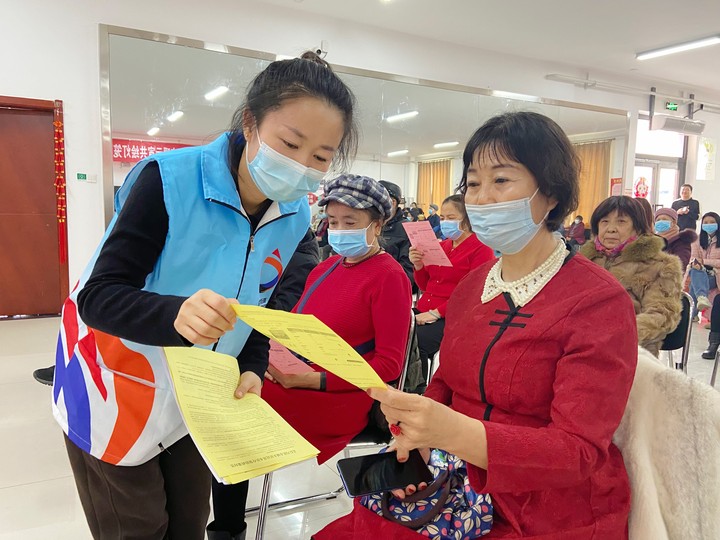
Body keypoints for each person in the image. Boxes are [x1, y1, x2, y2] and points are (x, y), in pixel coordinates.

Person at [52, 51, 358, 540]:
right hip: (113, 384)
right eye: (290, 143)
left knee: (190, 524)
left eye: (320, 157)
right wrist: (175, 314)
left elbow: (258, 306)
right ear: (250, 123)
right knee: (137, 528)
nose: (301, 166)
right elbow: (98, 296)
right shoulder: (168, 180)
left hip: (200, 394)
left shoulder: (294, 215)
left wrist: (252, 366)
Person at [315, 111, 639, 539]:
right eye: (472, 183)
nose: (482, 199)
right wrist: (419, 434)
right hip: (455, 475)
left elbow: (577, 452)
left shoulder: (597, 302)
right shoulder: (474, 285)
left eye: (501, 180)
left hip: (543, 504)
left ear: (552, 194)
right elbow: (446, 380)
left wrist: (453, 432)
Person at [213, 174, 412, 539]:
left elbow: (388, 365)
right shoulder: (325, 267)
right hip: (296, 375)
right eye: (333, 222)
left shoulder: (389, 276)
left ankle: (227, 527)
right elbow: (294, 329)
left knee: (236, 411)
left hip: (340, 394)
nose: (339, 231)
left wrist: (312, 379)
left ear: (377, 224)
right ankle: (226, 522)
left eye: (350, 222)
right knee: (233, 388)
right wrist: (267, 360)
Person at [409, 194, 494, 389]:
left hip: (453, 316)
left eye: (451, 217)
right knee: (393, 331)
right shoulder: (442, 246)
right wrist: (418, 265)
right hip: (424, 309)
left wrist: (436, 313)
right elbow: (426, 285)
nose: (445, 222)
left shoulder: (481, 249)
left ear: (467, 219)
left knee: (417, 341)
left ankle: (417, 390)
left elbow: (473, 292)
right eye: (442, 217)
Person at [581, 196, 683, 357]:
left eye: (621, 222)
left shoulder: (660, 266)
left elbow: (662, 315)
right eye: (604, 221)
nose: (611, 229)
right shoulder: (583, 262)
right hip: (578, 345)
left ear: (638, 228)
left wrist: (610, 338)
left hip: (630, 351)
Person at [379, 180, 415, 289]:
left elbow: (408, 271)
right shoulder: (369, 225)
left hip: (390, 286)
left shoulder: (407, 229)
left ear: (393, 202)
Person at [687, 211, 720, 318]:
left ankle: (690, 315)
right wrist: (697, 263)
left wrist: (704, 261)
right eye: (705, 222)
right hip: (700, 271)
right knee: (695, 272)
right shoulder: (696, 239)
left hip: (716, 274)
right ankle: (701, 298)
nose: (708, 224)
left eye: (712, 222)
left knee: (694, 284)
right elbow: (693, 258)